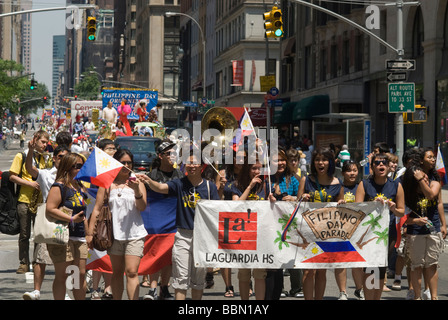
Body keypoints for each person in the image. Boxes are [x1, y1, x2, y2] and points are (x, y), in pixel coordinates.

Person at [141, 149, 220, 300]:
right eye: (188, 163)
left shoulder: (210, 187)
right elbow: (160, 188)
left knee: (198, 281)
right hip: (183, 236)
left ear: (201, 166)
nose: (192, 166)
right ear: (184, 166)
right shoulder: (178, 184)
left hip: (202, 238)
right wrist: (148, 181)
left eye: (195, 163)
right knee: (180, 280)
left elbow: (217, 211)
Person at [87, 149, 147, 300]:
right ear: (116, 164)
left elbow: (142, 207)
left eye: (129, 163)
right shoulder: (107, 184)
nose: (126, 166)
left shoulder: (138, 183)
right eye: (122, 163)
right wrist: (89, 233)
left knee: (132, 271)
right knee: (117, 272)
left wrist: (136, 191)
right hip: (113, 235)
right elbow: (96, 209)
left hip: (135, 234)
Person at [22, 143, 70, 300]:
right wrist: (30, 150)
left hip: (68, 219)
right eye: (60, 157)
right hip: (47, 219)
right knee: (41, 257)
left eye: (66, 157)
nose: (63, 160)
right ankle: (36, 291)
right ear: (55, 158)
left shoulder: (74, 176)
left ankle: (66, 293)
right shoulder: (46, 174)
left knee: (66, 259)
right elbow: (30, 169)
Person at [355, 152, 405, 300]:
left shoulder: (396, 185)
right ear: (372, 167)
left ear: (389, 167)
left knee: (381, 269)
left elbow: (401, 212)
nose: (381, 165)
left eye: (384, 162)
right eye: (377, 163)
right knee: (371, 268)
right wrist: (372, 204)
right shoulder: (364, 184)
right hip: (368, 234)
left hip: (388, 233)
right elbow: (358, 209)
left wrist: (393, 208)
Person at [297, 146, 344, 300]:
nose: (320, 163)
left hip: (328, 233)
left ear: (330, 162)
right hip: (308, 231)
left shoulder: (338, 183)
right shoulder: (306, 180)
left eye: (324, 159)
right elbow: (296, 206)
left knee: (322, 270)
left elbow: (341, 208)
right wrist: (302, 198)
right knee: (309, 270)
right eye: (317, 160)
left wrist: (342, 203)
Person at [140, 140, 183, 300]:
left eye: (174, 153)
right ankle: (152, 289)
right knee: (155, 254)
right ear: (160, 156)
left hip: (173, 222)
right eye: (168, 153)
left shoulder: (180, 175)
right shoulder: (152, 175)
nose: (172, 156)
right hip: (155, 224)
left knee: (170, 258)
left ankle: (164, 288)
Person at [402, 147, 446, 300]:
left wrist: (444, 224)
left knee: (432, 263)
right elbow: (403, 212)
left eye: (434, 157)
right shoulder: (409, 183)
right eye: (429, 157)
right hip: (415, 230)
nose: (433, 160)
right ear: (421, 161)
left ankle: (434, 297)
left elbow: (432, 196)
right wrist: (413, 221)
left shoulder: (435, 180)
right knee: (416, 265)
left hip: (432, 228)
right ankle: (417, 296)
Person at [45, 153, 88, 300]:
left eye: (82, 166)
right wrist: (71, 219)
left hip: (80, 236)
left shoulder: (80, 187)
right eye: (77, 166)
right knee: (62, 275)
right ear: (68, 167)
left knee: (79, 274)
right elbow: (50, 208)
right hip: (62, 236)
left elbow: (84, 213)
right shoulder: (59, 186)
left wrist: (89, 235)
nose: (80, 169)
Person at [231, 158, 275, 300]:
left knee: (260, 274)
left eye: (259, 168)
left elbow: (272, 209)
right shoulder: (237, 185)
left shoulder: (267, 185)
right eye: (253, 168)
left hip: (261, 235)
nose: (257, 172)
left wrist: (272, 200)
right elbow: (236, 206)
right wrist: (249, 187)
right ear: (247, 169)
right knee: (244, 274)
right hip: (243, 235)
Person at [9, 130, 51, 274]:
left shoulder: (45, 158)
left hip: (40, 201)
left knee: (40, 234)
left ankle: (37, 261)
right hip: (24, 200)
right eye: (42, 142)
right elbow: (12, 176)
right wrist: (29, 184)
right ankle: (23, 263)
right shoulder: (22, 155)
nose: (45, 145)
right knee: (24, 234)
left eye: (46, 143)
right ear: (35, 139)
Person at [268, 149, 301, 300]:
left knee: (289, 256)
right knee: (273, 261)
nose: (280, 163)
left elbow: (301, 198)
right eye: (276, 160)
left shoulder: (293, 178)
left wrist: (293, 198)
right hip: (269, 225)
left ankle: (296, 287)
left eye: (282, 160)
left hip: (289, 224)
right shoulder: (265, 178)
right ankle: (277, 289)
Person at [88, 139, 116, 300]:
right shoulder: (93, 169)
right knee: (97, 252)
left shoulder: (119, 169)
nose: (112, 151)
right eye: (108, 148)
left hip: (113, 217)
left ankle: (108, 288)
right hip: (96, 214)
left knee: (110, 253)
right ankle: (94, 289)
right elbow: (86, 189)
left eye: (113, 148)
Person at [334, 160, 365, 300]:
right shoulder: (337, 187)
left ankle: (360, 289)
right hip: (339, 229)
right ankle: (342, 292)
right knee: (340, 261)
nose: (352, 173)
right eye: (349, 171)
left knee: (357, 262)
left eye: (355, 170)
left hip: (358, 230)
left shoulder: (362, 186)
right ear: (342, 173)